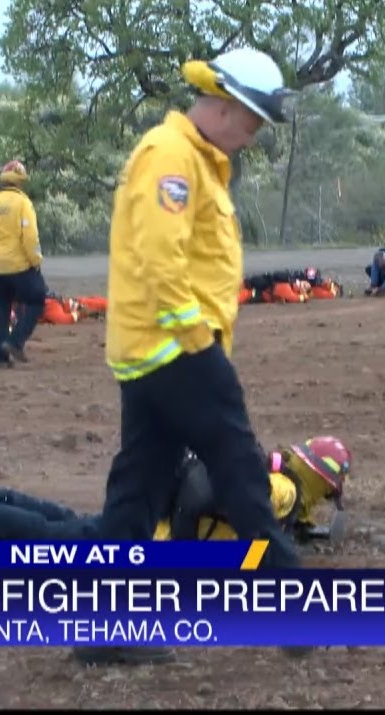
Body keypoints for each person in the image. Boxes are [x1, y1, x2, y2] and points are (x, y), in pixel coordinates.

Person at [94, 46, 298, 665]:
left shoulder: (196, 160)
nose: (254, 135)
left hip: (153, 352)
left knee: (140, 490)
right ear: (223, 104)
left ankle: (101, 630)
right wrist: (199, 341)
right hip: (175, 349)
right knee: (239, 472)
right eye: (252, 120)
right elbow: (162, 257)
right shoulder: (171, 156)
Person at [0, 436, 352, 548]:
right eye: (328, 495)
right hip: (154, 542)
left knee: (63, 521)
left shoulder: (281, 482)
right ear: (322, 483)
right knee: (54, 538)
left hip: (150, 514)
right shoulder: (284, 493)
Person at [0, 159, 47, 368]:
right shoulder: (23, 203)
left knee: (1, 310)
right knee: (36, 300)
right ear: (20, 181)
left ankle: (0, 357)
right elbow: (30, 237)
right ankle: (15, 342)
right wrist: (36, 260)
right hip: (20, 266)